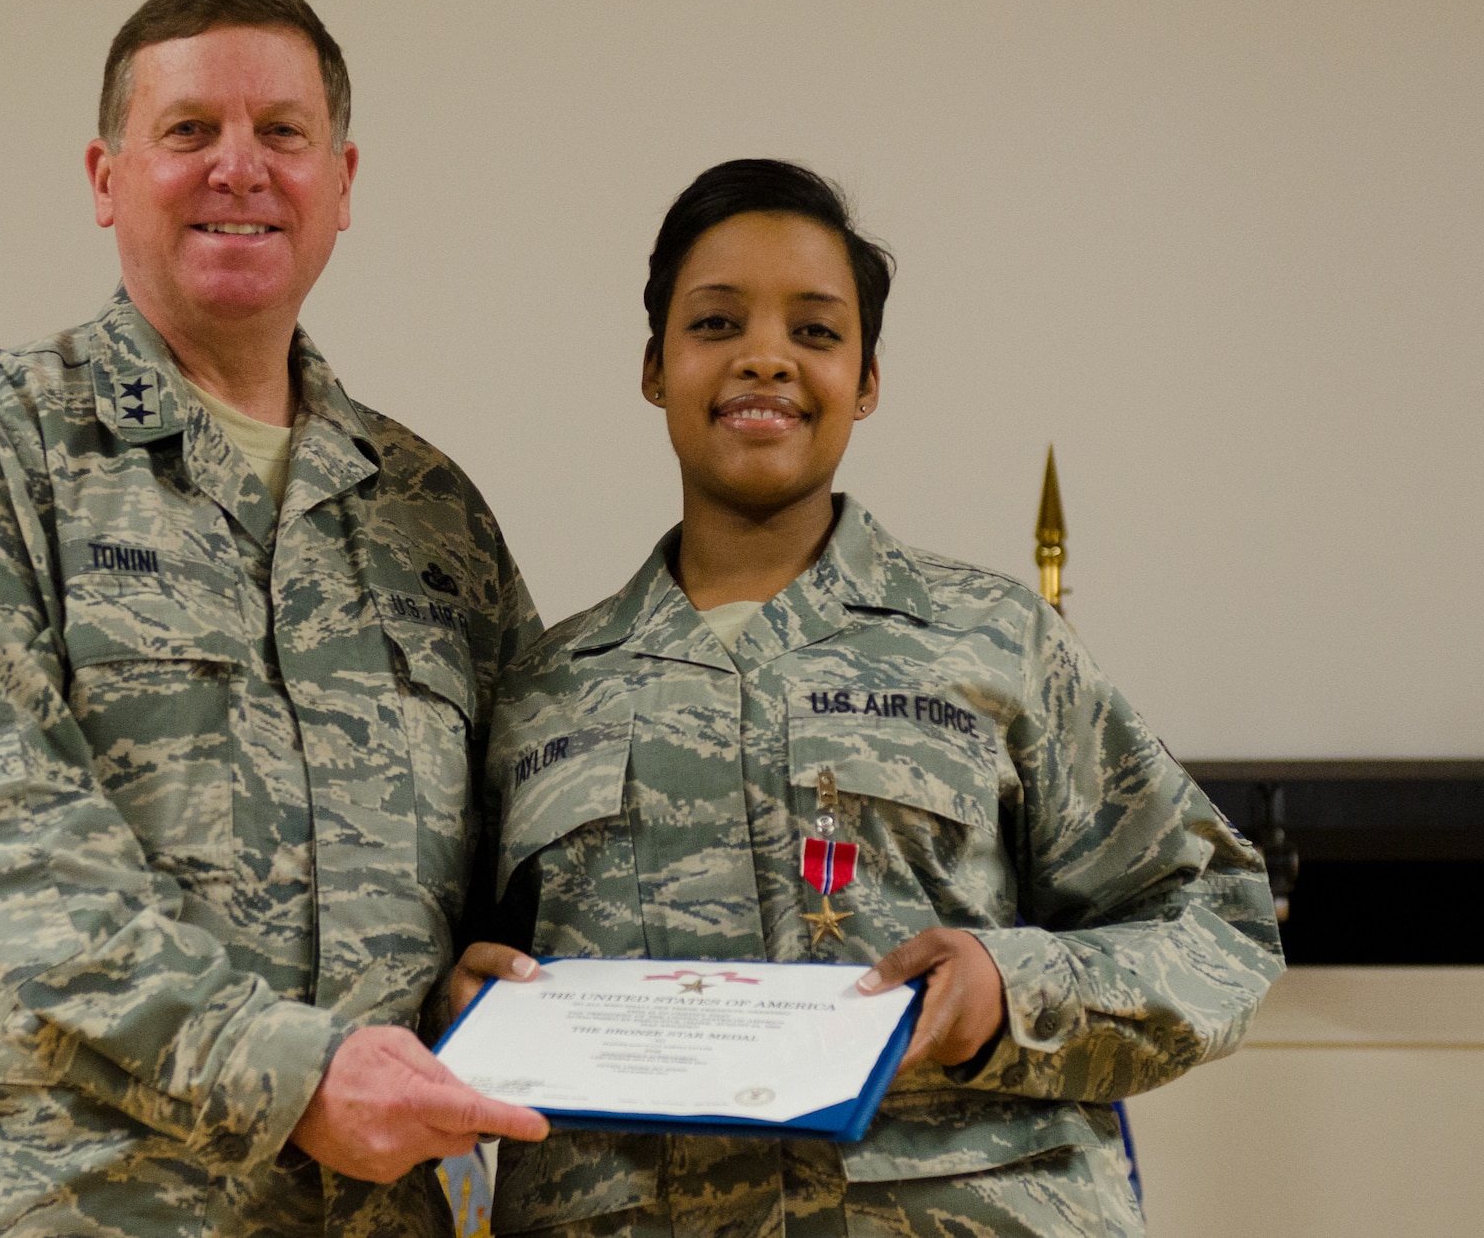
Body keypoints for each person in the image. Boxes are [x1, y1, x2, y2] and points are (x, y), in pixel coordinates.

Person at [0, 0, 547, 1238]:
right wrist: (285, 1069)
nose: (240, 168)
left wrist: (494, 982)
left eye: (283, 133)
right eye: (190, 129)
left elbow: (513, 858)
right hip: (35, 1204)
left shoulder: (433, 520)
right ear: (106, 177)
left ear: (343, 182)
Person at [452, 159, 1284, 1237]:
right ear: (653, 367)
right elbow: (443, 961)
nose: (764, 356)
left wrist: (1007, 986)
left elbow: (1214, 921)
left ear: (867, 378)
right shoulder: (540, 688)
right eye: (714, 323)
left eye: (814, 330)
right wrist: (456, 1005)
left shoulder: (993, 642)